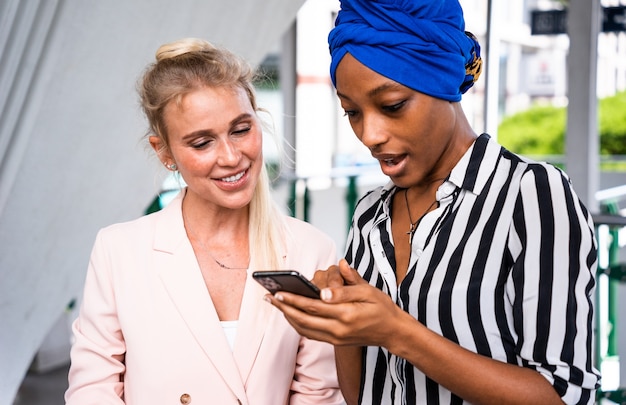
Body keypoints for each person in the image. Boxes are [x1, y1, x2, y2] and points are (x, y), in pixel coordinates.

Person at [266, 1, 601, 404]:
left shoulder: (531, 195)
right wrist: (344, 325)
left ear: (442, 83)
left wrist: (397, 331)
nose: (370, 134)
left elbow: (563, 396)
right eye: (351, 112)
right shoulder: (371, 214)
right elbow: (361, 396)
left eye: (392, 105)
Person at [65, 38, 345, 405]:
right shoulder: (119, 251)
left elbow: (318, 392)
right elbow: (92, 390)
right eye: (202, 143)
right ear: (163, 152)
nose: (231, 157)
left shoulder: (311, 250)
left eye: (241, 130)